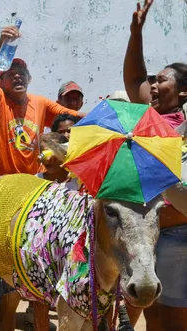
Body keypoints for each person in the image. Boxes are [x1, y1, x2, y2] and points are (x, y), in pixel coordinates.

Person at [0, 23, 83, 331]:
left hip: (28, 197)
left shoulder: (40, 102)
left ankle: (8, 310)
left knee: (22, 264)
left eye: (22, 72)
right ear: (2, 80)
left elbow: (70, 117)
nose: (18, 76)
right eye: (11, 72)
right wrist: (0, 43)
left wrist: (111, 117)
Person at [123, 1, 187, 330]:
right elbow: (134, 77)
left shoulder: (183, 127)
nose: (153, 85)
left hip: (178, 236)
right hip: (145, 236)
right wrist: (136, 32)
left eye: (161, 81)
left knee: (175, 321)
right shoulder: (148, 118)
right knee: (152, 316)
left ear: (183, 91)